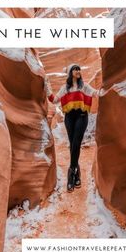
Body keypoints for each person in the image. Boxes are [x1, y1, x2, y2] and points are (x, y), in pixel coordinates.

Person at [44, 63, 103, 192]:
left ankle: (71, 174)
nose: (78, 71)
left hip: (82, 117)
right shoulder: (65, 88)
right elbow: (54, 100)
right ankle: (77, 174)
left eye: (79, 69)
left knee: (76, 143)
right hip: (69, 118)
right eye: (75, 69)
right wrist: (47, 88)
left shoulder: (84, 86)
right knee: (72, 145)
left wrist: (105, 89)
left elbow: (95, 93)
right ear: (71, 72)